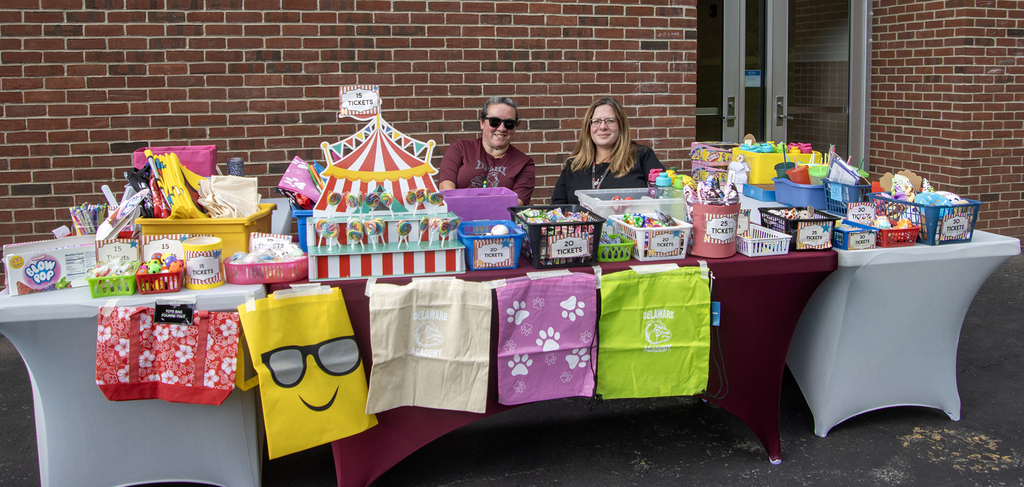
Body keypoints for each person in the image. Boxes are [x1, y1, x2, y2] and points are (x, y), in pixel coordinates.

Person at [551, 97, 666, 205]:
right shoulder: (574, 165)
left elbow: (664, 197)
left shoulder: (642, 156)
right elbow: (557, 210)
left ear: (621, 125)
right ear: (588, 127)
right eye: (596, 121)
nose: (602, 127)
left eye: (610, 120)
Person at [438, 97, 535, 205]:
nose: (502, 128)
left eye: (509, 123)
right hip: (458, 219)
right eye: (495, 121)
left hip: (500, 221)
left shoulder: (524, 163)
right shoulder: (460, 148)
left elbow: (517, 202)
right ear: (482, 123)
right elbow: (445, 186)